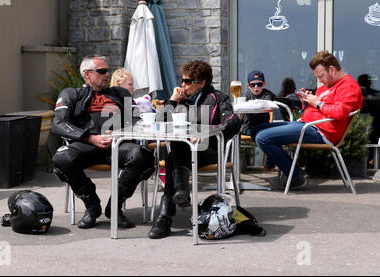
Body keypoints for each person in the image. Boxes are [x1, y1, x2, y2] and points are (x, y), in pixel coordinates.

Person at [51, 55, 154, 229]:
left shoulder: (120, 93)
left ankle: (114, 207)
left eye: (107, 70)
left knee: (141, 155)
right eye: (102, 71)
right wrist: (90, 137)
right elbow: (58, 123)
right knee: (61, 158)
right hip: (86, 144)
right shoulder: (71, 94)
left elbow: (134, 120)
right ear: (87, 74)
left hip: (117, 144)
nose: (107, 74)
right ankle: (92, 206)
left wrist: (119, 135)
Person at [148, 60, 241, 239]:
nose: (183, 85)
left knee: (172, 157)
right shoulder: (180, 100)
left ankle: (166, 215)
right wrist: (173, 100)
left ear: (201, 82)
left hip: (209, 150)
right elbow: (159, 122)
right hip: (184, 151)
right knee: (177, 146)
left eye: (187, 81)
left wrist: (207, 133)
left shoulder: (218, 98)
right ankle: (178, 195)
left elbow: (233, 122)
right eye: (182, 80)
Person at [251, 50, 363, 190]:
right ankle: (284, 167)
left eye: (321, 76)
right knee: (255, 130)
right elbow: (319, 109)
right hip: (307, 124)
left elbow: (340, 112)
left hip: (322, 132)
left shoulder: (348, 86)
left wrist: (318, 103)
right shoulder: (326, 87)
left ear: (332, 69)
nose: (320, 81)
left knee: (263, 138)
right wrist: (307, 101)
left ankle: (295, 176)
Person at [240, 70, 276, 137]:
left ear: (264, 84)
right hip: (248, 125)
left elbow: (267, 103)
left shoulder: (266, 94)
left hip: (262, 125)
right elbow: (241, 107)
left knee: (262, 132)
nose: (256, 87)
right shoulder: (247, 95)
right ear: (248, 86)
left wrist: (251, 103)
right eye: (252, 85)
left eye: (259, 84)